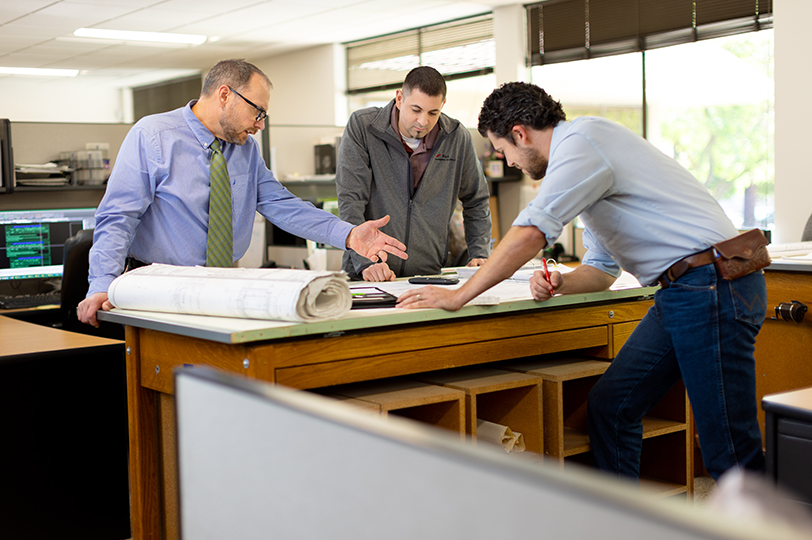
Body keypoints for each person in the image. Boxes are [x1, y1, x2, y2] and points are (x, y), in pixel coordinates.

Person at [398, 82, 767, 481]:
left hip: (711, 286)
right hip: (685, 292)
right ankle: (622, 523)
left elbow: (530, 232)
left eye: (503, 150)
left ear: (520, 133)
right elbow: (603, 271)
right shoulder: (584, 165)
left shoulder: (584, 141)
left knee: (729, 452)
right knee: (612, 407)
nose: (508, 162)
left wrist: (459, 296)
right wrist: (560, 282)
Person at [78, 59, 407, 327]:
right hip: (157, 288)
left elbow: (281, 205)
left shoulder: (245, 151)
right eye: (258, 112)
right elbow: (118, 218)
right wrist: (101, 286)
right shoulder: (153, 136)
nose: (260, 124)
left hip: (221, 287)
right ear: (225, 95)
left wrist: (349, 235)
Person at [335, 66, 491, 282]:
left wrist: (479, 254)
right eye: (415, 110)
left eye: (432, 113)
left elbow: (477, 199)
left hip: (428, 274)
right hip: (368, 274)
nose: (422, 122)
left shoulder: (456, 137)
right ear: (399, 99)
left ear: (443, 106)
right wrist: (367, 263)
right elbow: (350, 200)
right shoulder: (363, 127)